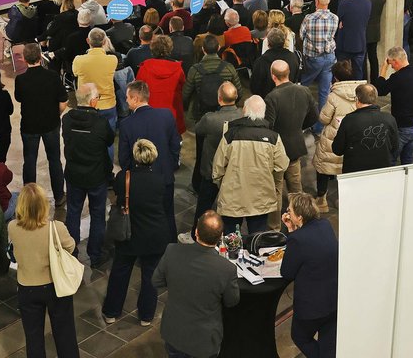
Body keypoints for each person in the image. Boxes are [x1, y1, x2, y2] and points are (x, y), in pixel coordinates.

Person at [5, 183, 80, 358]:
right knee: (65, 334)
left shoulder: (12, 227)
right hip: (55, 286)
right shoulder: (56, 228)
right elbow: (70, 246)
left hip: (27, 288)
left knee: (33, 338)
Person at [153, 211, 240, 358]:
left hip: (174, 333)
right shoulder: (227, 269)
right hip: (204, 341)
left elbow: (156, 281)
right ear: (220, 237)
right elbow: (232, 301)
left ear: (196, 232)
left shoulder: (172, 251)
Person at [101, 139, 167, 327]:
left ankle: (111, 312)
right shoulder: (160, 179)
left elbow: (119, 198)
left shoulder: (123, 177)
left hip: (128, 233)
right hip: (154, 235)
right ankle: (146, 316)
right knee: (150, 276)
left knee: (120, 272)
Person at [212, 95, 288, 235]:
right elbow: (282, 166)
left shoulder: (230, 135)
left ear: (245, 111)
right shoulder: (273, 137)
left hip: (233, 197)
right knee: (257, 238)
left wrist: (221, 184)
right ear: (263, 113)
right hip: (261, 197)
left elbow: (218, 167)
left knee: (231, 239)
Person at [118, 80, 182, 242]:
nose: (125, 100)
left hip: (139, 181)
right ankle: (170, 245)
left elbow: (124, 158)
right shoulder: (166, 115)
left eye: (127, 97)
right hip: (164, 176)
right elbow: (176, 144)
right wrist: (171, 165)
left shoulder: (126, 124)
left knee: (142, 216)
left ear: (135, 98)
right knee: (167, 214)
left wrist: (131, 173)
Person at [280, 193, 339, 358]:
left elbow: (287, 272)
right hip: (333, 300)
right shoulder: (326, 225)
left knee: (300, 337)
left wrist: (291, 233)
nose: (287, 213)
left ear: (299, 217)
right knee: (328, 345)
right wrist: (293, 231)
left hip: (311, 307)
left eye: (289, 210)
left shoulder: (298, 239)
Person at [62, 83, 114, 267]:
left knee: (73, 213)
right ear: (93, 101)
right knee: (98, 215)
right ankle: (95, 255)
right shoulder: (101, 123)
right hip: (96, 176)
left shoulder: (67, 120)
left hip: (74, 174)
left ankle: (71, 252)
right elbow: (109, 140)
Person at [16, 43, 68, 205]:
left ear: (24, 59)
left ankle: (30, 198)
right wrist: (56, 114)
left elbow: (19, 98)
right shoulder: (52, 76)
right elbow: (63, 101)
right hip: (50, 124)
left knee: (30, 160)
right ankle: (59, 196)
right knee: (54, 159)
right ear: (40, 57)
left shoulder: (21, 79)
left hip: (29, 125)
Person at [264, 60, 317, 215]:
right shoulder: (304, 91)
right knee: (296, 188)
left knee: (276, 190)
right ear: (288, 73)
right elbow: (314, 117)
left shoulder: (272, 97)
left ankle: (274, 226)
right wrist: (298, 127)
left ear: (273, 76)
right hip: (295, 146)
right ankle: (300, 218)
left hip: (277, 151)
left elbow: (269, 126)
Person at [191, 81, 243, 227]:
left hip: (211, 170)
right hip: (233, 170)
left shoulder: (210, 119)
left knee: (204, 205)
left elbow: (198, 129)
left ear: (219, 98)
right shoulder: (242, 116)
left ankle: (198, 233)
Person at [313, 61, 359, 211]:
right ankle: (343, 199)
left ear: (336, 78)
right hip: (352, 137)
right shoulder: (361, 92)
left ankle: (322, 200)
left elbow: (324, 118)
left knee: (323, 166)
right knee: (345, 169)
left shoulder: (334, 96)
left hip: (333, 137)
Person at [373, 46, 413, 163]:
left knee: (389, 159)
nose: (392, 67)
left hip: (402, 127)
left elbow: (380, 90)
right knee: (408, 158)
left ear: (396, 61)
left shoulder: (397, 78)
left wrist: (383, 69)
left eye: (391, 64)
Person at [331, 83, 399, 172]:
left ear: (357, 99)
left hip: (355, 172)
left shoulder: (349, 120)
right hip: (382, 170)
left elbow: (337, 149)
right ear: (375, 99)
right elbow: (395, 147)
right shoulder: (389, 119)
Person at [300, 0, 339, 132]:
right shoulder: (335, 18)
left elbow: (301, 34)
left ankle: (300, 119)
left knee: (303, 86)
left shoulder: (309, 18)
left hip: (313, 58)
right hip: (329, 57)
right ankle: (319, 127)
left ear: (316, 2)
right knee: (324, 92)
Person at [137, 33, 187, 134]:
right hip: (172, 114)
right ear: (170, 48)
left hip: (151, 114)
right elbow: (183, 87)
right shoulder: (178, 69)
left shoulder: (145, 67)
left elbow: (138, 89)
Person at [72, 27, 119, 132]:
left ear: (88, 41)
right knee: (108, 140)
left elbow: (75, 73)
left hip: (86, 105)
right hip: (108, 104)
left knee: (89, 141)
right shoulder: (112, 59)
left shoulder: (78, 60)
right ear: (105, 41)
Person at [335, 0, 372, 80]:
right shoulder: (367, 3)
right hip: (360, 41)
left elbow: (339, 19)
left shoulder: (344, 3)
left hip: (345, 42)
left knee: (342, 70)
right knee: (358, 70)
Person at [249, 26, 298, 98]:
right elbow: (295, 78)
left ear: (268, 43)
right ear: (284, 41)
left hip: (267, 99)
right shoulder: (293, 57)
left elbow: (255, 86)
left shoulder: (261, 61)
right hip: (288, 97)